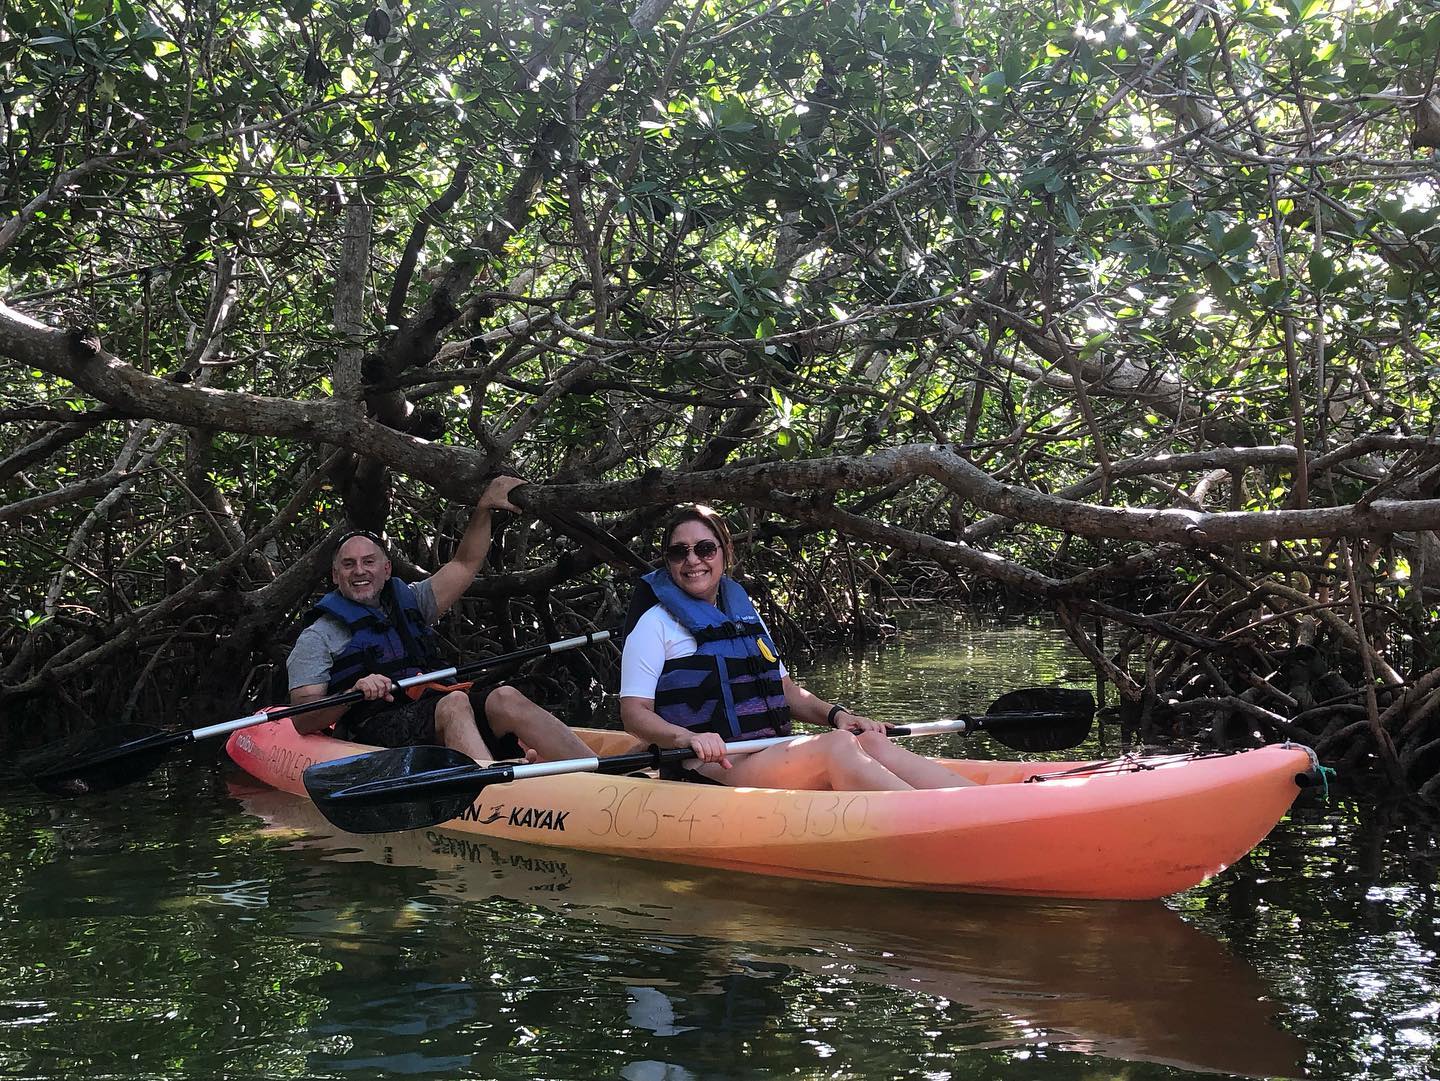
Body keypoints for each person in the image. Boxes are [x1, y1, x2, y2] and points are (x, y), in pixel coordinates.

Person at [619, 505, 974, 790]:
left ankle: (975, 804)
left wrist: (839, 716)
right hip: (716, 766)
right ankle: (947, 824)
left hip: (768, 753)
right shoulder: (654, 624)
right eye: (679, 552)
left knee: (870, 741)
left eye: (705, 548)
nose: (692, 560)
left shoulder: (742, 612)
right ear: (668, 561)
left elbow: (787, 690)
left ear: (725, 552)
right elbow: (634, 713)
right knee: (836, 746)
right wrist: (688, 737)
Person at [287, 476, 592, 764]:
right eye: (348, 564)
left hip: (431, 710)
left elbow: (465, 562)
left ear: (386, 569)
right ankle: (492, 788)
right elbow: (303, 718)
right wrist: (352, 693)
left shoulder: (412, 602)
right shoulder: (318, 636)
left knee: (505, 696)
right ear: (335, 575)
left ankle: (605, 771)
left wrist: (484, 507)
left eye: (369, 562)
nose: (359, 571)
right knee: (454, 703)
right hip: (374, 728)